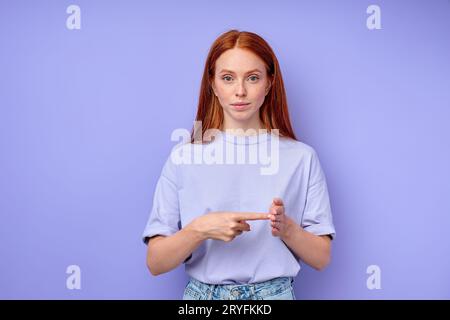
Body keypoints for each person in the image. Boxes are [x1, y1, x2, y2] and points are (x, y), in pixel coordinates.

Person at [142, 29, 336, 300]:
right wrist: (201, 228)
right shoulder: (183, 157)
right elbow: (155, 262)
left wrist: (287, 228)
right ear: (213, 84)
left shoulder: (302, 158)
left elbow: (322, 258)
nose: (240, 91)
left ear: (269, 83)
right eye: (228, 78)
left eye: (253, 78)